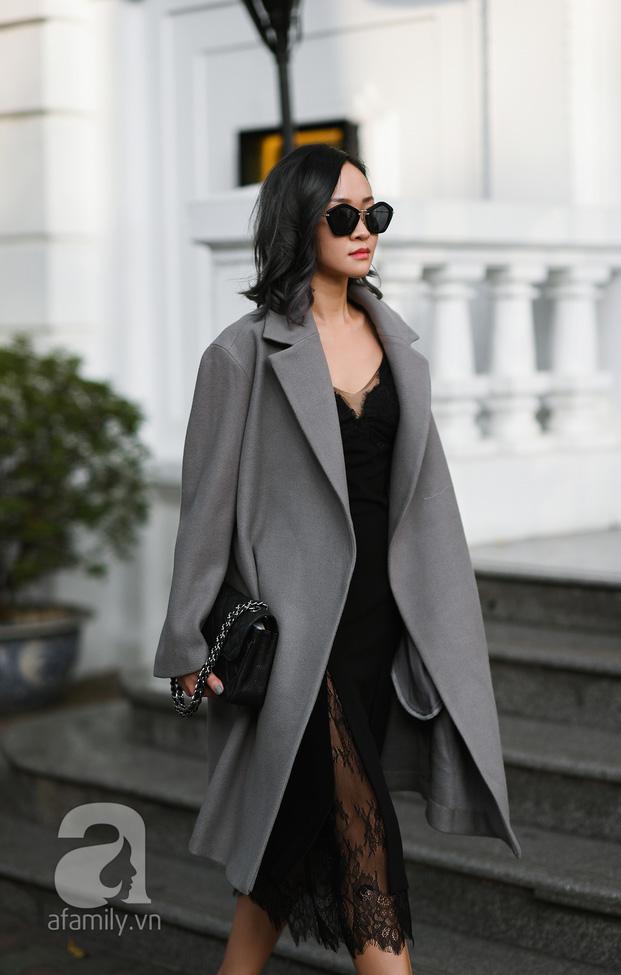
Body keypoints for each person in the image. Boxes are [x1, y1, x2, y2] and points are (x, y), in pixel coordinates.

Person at [181, 145, 413, 972]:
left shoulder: (398, 344)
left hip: (378, 623)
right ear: (299, 222)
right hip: (300, 634)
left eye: (374, 213)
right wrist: (187, 644)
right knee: (362, 835)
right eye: (343, 215)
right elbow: (204, 512)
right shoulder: (240, 354)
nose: (364, 229)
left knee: (298, 824)